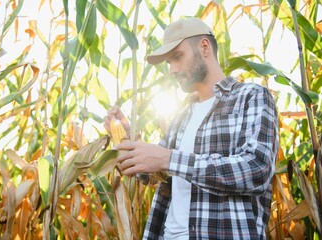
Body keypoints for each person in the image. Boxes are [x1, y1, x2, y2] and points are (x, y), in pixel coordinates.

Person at [104, 18, 279, 240]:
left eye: (177, 57)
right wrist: (127, 137)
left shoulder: (251, 97)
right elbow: (152, 174)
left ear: (204, 47)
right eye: (168, 62)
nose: (172, 69)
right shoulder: (181, 116)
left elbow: (257, 169)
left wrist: (169, 159)